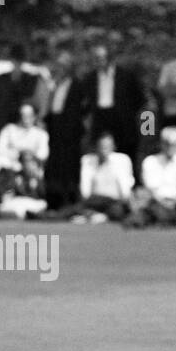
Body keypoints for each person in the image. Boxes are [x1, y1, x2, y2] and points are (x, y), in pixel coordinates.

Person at [82, 43, 147, 162]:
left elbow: (140, 99)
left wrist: (128, 113)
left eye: (100, 58)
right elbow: (86, 101)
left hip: (122, 120)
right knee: (102, 153)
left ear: (109, 58)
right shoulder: (90, 78)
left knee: (126, 154)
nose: (98, 62)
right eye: (95, 59)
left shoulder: (126, 75)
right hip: (101, 120)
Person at [43, 50, 86, 209]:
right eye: (58, 65)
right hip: (55, 131)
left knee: (69, 169)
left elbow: (80, 111)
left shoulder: (77, 85)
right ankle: (54, 201)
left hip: (70, 135)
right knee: (54, 169)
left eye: (63, 65)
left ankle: (69, 202)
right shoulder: (55, 85)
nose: (59, 68)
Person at [75, 131, 134, 222]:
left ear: (113, 147)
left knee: (117, 211)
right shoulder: (87, 161)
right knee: (74, 209)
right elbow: (85, 192)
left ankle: (97, 216)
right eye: (102, 147)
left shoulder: (122, 160)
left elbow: (125, 192)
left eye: (107, 147)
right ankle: (93, 215)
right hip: (94, 201)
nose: (104, 150)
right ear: (96, 147)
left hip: (114, 202)